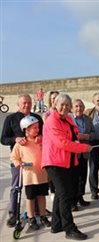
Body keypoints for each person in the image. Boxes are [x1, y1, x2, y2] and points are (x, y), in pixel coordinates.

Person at [42, 93, 91, 240]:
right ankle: (69, 228)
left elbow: (74, 135)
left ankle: (56, 224)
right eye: (62, 104)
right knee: (65, 194)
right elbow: (62, 143)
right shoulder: (52, 121)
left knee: (62, 193)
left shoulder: (68, 119)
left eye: (67, 105)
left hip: (67, 161)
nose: (64, 107)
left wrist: (81, 140)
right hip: (54, 162)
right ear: (55, 106)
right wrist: (83, 148)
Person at [0, 94, 44, 227]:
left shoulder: (37, 118)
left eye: (29, 103)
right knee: (16, 187)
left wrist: (40, 136)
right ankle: (14, 215)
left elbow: (43, 133)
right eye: (24, 103)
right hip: (19, 159)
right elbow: (3, 139)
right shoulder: (10, 118)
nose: (27, 105)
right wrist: (15, 139)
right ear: (18, 105)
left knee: (36, 187)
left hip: (35, 159)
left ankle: (38, 212)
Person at [10, 116, 51, 230]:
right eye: (34, 128)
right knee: (30, 198)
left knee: (42, 196)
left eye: (38, 127)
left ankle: (43, 216)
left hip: (42, 175)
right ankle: (31, 217)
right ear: (26, 130)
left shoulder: (40, 141)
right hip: (29, 176)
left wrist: (42, 139)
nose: (37, 129)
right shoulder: (21, 144)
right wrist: (19, 164)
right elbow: (14, 157)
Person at [71, 99, 95, 211]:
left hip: (84, 153)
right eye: (76, 106)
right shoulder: (69, 120)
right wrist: (79, 137)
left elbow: (94, 133)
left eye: (81, 106)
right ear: (72, 108)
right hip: (73, 154)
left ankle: (80, 197)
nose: (79, 109)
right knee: (73, 178)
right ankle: (73, 202)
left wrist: (88, 137)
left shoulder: (88, 120)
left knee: (82, 177)